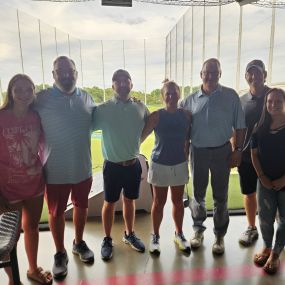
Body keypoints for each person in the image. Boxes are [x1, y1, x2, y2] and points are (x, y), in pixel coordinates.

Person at [35, 56, 95, 279]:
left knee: (81, 206)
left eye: (70, 70)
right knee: (56, 212)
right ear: (53, 75)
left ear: (76, 73)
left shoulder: (87, 98)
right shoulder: (40, 98)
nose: (66, 75)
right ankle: (60, 253)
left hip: (82, 167)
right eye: (60, 71)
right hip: (54, 171)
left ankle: (78, 243)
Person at [180, 58, 246, 255]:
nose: (210, 76)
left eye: (214, 72)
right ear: (201, 74)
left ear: (220, 74)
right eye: (206, 72)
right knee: (198, 195)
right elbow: (182, 128)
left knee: (221, 197)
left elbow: (240, 126)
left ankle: (219, 236)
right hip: (197, 151)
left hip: (222, 151)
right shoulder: (189, 100)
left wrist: (238, 150)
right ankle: (198, 231)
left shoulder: (231, 96)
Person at [0, 74, 53, 284]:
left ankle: (32, 269)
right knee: (9, 237)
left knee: (31, 228)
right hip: (8, 187)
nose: (24, 94)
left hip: (34, 183)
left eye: (28, 90)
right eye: (18, 89)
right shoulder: (1, 117)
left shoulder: (36, 116)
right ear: (10, 92)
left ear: (34, 93)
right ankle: (13, 277)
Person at [92, 69, 149, 261]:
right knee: (109, 203)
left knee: (130, 201)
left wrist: (140, 140)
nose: (123, 84)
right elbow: (87, 127)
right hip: (113, 166)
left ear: (132, 84)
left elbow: (151, 122)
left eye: (127, 80)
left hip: (133, 164)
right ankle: (107, 239)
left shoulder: (140, 107)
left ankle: (129, 234)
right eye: (119, 81)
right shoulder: (104, 108)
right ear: (113, 85)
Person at [141, 80, 191, 255]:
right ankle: (155, 236)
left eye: (174, 92)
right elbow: (142, 136)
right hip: (159, 163)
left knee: (178, 202)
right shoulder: (156, 115)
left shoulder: (186, 115)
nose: (171, 96)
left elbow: (188, 139)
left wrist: (186, 158)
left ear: (179, 94)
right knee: (159, 203)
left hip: (179, 163)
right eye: (167, 93)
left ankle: (179, 234)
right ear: (162, 96)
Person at [251, 88, 285, 275]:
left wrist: (283, 179)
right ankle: (266, 246)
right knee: (265, 217)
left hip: (284, 182)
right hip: (264, 182)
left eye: (278, 101)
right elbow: (254, 154)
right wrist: (262, 176)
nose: (273, 105)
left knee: (284, 220)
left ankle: (276, 253)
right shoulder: (260, 126)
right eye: (270, 101)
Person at [237, 60, 271, 246]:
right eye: (250, 73)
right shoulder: (241, 101)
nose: (254, 76)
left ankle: (274, 229)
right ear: (246, 76)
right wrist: (236, 150)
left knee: (273, 193)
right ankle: (251, 228)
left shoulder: (274, 96)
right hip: (247, 157)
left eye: (258, 73)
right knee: (249, 193)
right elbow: (236, 129)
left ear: (265, 74)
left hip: (272, 157)